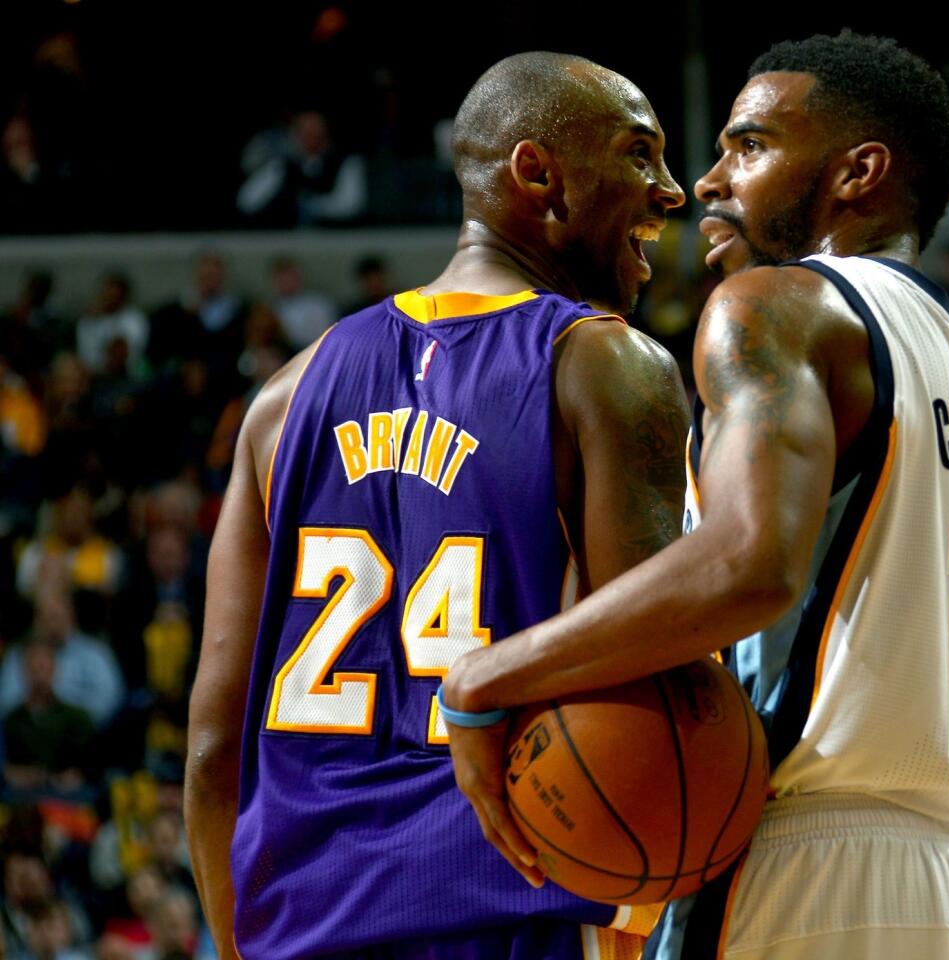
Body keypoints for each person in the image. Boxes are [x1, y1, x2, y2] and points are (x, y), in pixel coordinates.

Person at [440, 32, 949, 959]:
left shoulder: (778, 307)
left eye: (748, 146)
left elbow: (750, 564)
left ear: (858, 172)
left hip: (800, 868)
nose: (707, 181)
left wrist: (488, 677)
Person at [185, 52, 688, 958]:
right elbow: (657, 692)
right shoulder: (605, 367)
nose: (673, 191)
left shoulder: (282, 400)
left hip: (299, 927)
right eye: (640, 155)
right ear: (537, 173)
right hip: (512, 907)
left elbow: (215, 747)